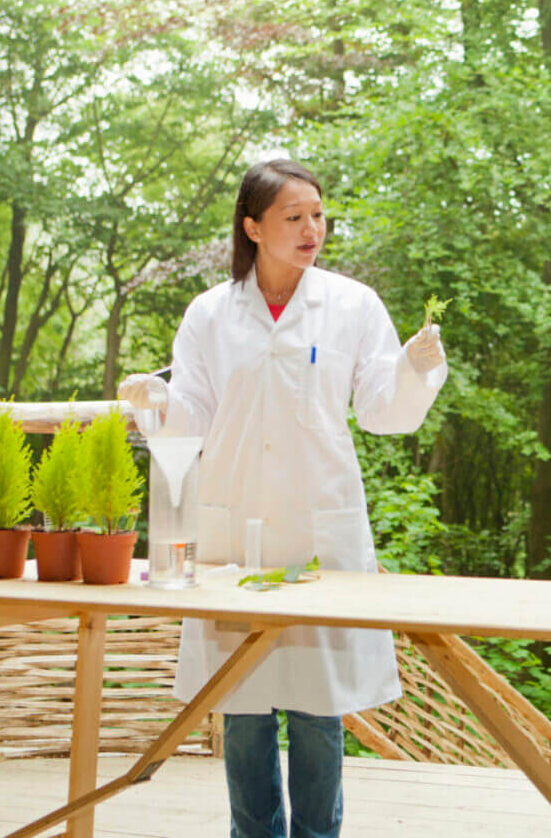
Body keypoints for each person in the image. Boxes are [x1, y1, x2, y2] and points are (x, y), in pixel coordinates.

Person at [119, 158, 448, 838]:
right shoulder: (210, 313)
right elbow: (193, 419)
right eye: (293, 217)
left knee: (317, 707)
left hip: (317, 523)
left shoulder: (352, 305)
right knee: (240, 704)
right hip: (234, 522)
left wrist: (417, 371)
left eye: (318, 215)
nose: (311, 230)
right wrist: (154, 400)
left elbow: (384, 411)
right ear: (252, 226)